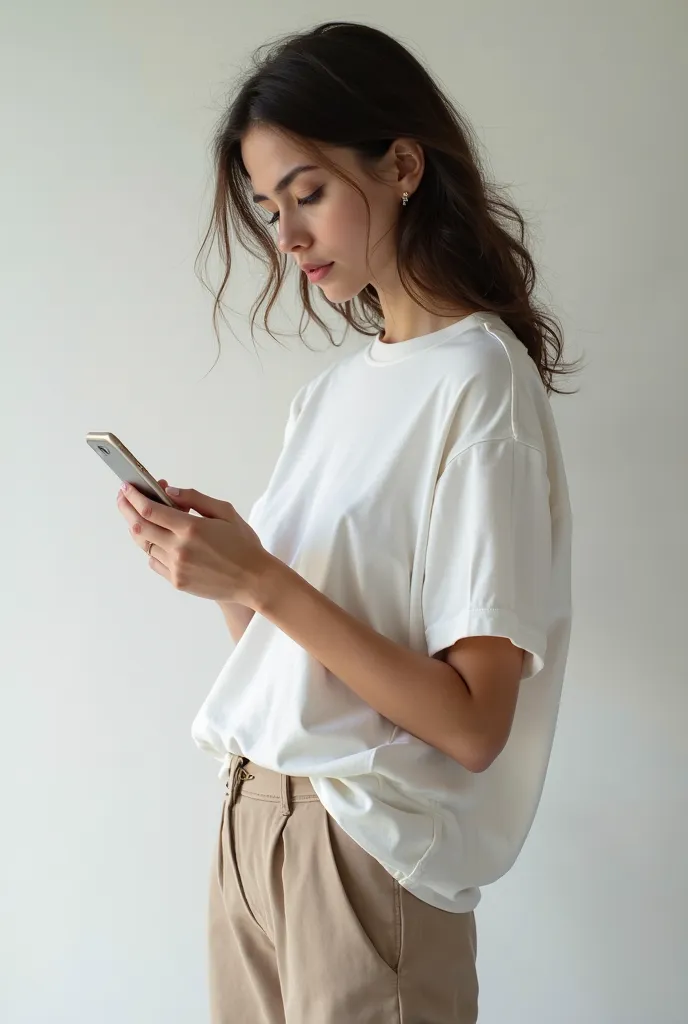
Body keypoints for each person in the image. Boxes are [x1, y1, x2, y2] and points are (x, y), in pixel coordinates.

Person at [117, 20, 573, 1024]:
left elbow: (469, 723)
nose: (285, 239)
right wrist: (230, 574)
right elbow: (300, 666)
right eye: (267, 207)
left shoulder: (479, 386)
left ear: (402, 164)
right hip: (252, 818)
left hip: (362, 852)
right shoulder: (330, 396)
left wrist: (267, 579)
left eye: (308, 193)